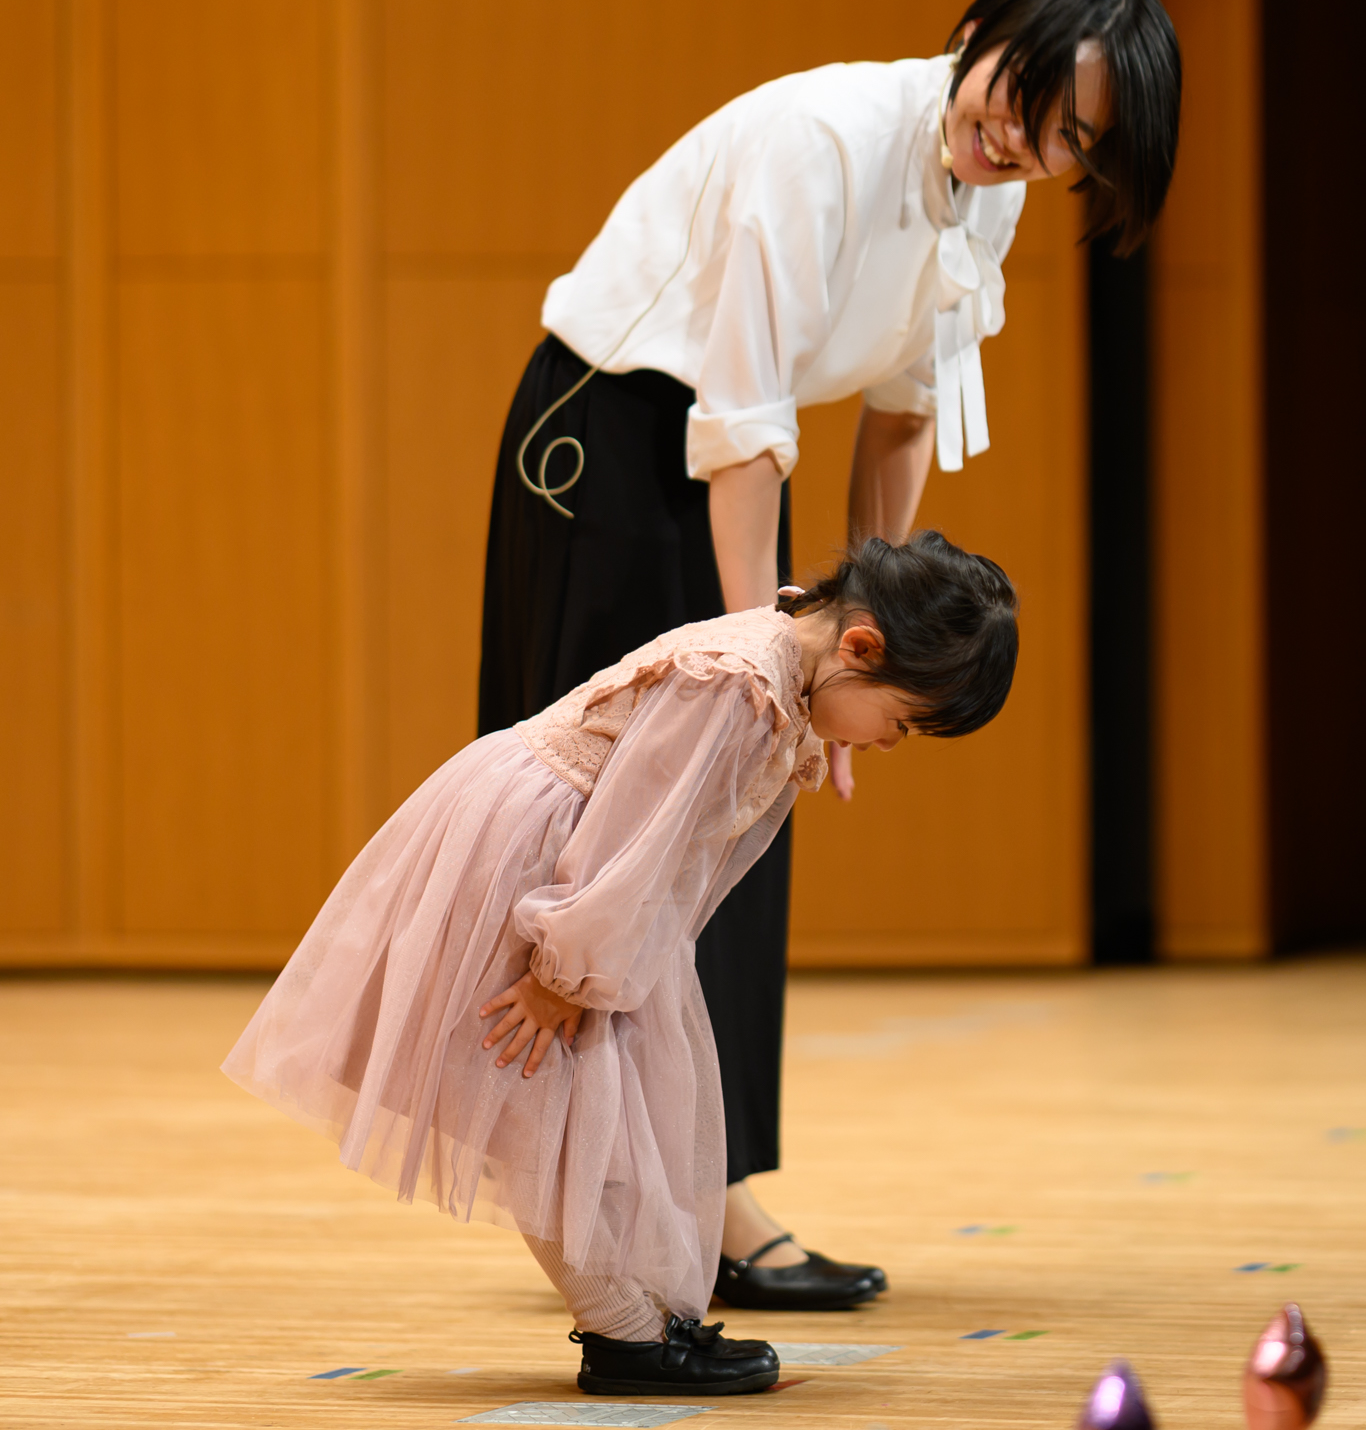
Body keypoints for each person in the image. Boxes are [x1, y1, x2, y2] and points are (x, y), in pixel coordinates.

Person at [476, 0, 1179, 1309]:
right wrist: (769, 671)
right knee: (625, 821)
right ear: (978, 34)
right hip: (611, 447)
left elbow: (904, 413)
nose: (1020, 141)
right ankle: (624, 1194)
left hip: (722, 469)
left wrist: (874, 623)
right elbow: (743, 428)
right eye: (1019, 96)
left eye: (1064, 143)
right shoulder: (820, 142)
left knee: (736, 823)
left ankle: (702, 1185)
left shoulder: (989, 200)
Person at [227, 535, 1020, 1397]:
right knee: (547, 1101)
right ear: (861, 646)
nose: (889, 743)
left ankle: (642, 1314)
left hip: (590, 891)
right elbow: (634, 837)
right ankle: (627, 1334)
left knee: (609, 1108)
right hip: (556, 871)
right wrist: (562, 972)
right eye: (900, 720)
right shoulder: (736, 683)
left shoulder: (780, 671)